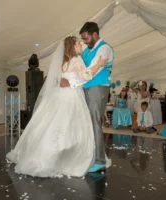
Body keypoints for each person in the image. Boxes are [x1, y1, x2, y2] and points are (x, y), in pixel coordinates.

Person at [6, 36, 109, 177]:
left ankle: (48, 155)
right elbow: (85, 76)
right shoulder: (76, 60)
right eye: (79, 43)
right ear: (72, 46)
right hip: (72, 97)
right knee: (71, 126)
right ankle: (67, 157)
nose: (81, 45)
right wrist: (99, 64)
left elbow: (62, 80)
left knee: (55, 124)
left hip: (60, 96)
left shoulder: (64, 62)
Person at [60, 22, 114, 173]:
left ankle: (100, 160)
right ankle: (91, 155)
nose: (83, 42)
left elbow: (91, 72)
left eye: (85, 38)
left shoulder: (104, 48)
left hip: (97, 87)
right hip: (84, 88)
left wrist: (69, 81)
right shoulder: (86, 51)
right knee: (87, 123)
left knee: (94, 122)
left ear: (94, 35)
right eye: (81, 40)